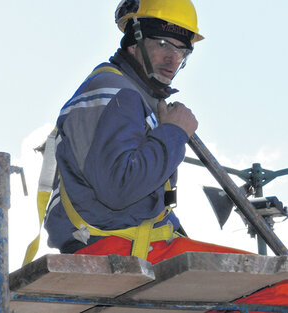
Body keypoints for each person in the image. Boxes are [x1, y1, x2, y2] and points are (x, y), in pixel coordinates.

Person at [43, 0, 288, 307]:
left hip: (124, 242)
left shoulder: (124, 93)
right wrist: (173, 132)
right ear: (134, 38)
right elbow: (120, 188)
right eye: (162, 44)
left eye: (183, 51)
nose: (173, 59)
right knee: (280, 284)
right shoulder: (119, 94)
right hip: (123, 248)